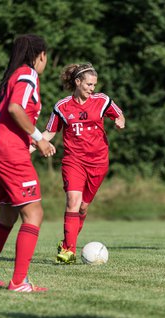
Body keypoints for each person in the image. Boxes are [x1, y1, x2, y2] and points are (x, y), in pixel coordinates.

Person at [0, 34, 55, 292]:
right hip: (11, 155)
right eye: (46, 57)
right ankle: (19, 282)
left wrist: (29, 142)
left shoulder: (10, 76)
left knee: (7, 214)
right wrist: (39, 139)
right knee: (34, 214)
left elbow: (11, 117)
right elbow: (15, 109)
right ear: (40, 55)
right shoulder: (27, 74)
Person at [39, 62, 125, 264]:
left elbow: (119, 113)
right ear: (77, 82)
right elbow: (50, 132)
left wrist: (120, 120)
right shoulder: (62, 106)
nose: (91, 89)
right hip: (73, 160)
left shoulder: (102, 100)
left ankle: (66, 242)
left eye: (94, 85)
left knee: (83, 208)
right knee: (73, 201)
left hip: (99, 162)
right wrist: (32, 147)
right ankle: (69, 251)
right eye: (88, 84)